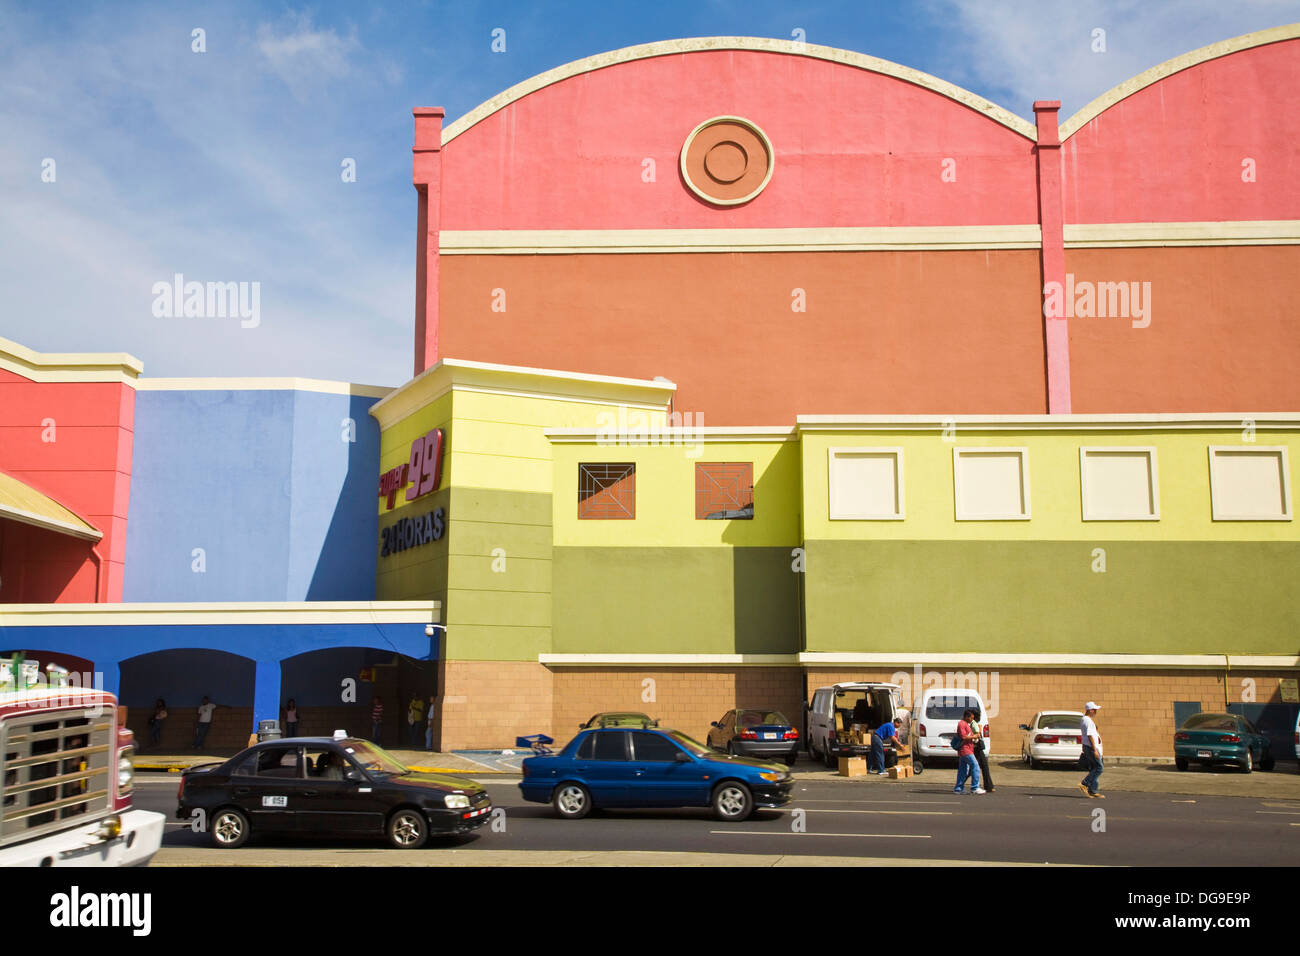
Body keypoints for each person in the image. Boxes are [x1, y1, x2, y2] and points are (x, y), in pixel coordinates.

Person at [954, 708, 984, 794]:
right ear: (966, 717)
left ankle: (958, 789)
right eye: (971, 718)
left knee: (963, 770)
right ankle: (975, 787)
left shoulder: (965, 724)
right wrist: (974, 737)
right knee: (975, 766)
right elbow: (963, 736)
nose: (972, 720)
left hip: (967, 749)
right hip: (965, 750)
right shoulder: (962, 724)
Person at [1078, 701, 1105, 798]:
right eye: (1094, 710)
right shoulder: (1087, 720)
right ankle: (1085, 783)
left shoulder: (1085, 719)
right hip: (1091, 747)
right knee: (1099, 768)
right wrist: (1094, 750)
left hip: (1088, 747)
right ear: (1090, 710)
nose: (1096, 712)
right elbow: (1089, 735)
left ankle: (1093, 790)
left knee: (1094, 768)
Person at [971, 712, 994, 792]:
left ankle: (989, 786)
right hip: (976, 748)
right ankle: (960, 784)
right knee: (978, 767)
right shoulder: (973, 724)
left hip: (978, 748)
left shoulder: (975, 724)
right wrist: (979, 729)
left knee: (983, 766)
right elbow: (977, 735)